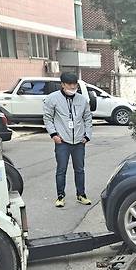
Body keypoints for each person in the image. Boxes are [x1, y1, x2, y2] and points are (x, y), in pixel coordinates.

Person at [43, 72, 93, 207]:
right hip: (62, 141)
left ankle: (81, 195)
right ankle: (60, 196)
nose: (72, 86)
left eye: (74, 84)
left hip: (79, 141)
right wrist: (54, 135)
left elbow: (88, 118)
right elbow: (47, 118)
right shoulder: (52, 98)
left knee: (80, 169)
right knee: (61, 169)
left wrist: (87, 135)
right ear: (63, 84)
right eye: (69, 84)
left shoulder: (82, 100)